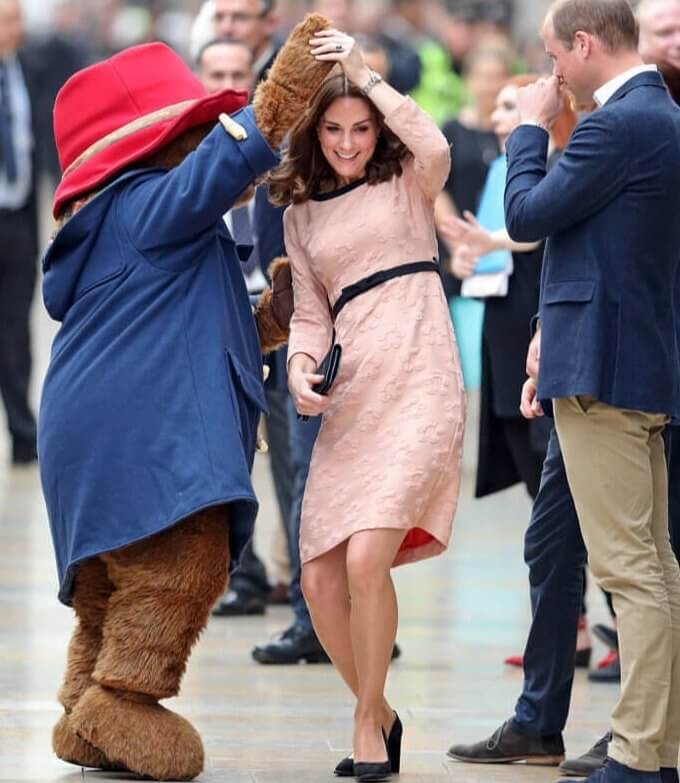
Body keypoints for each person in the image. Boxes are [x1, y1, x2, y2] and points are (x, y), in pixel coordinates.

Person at [38, 15, 333, 780]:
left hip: (95, 436)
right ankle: (123, 701)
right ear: (152, 144)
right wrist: (288, 85)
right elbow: (223, 167)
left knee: (112, 587)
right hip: (140, 438)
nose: (203, 141)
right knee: (185, 560)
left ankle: (82, 705)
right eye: (193, 130)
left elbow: (196, 326)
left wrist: (271, 319)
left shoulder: (126, 224)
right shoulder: (146, 202)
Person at [268, 27, 465, 781]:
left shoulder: (409, 177)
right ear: (314, 133)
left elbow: (436, 143)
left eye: (361, 129)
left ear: (378, 129)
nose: (349, 143)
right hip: (351, 391)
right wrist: (299, 369)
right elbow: (310, 314)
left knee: (364, 558)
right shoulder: (301, 213)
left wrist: (366, 75)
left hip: (420, 374)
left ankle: (363, 723)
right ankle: (380, 712)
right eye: (334, 129)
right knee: (319, 578)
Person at [503, 1, 680, 781]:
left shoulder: (615, 125)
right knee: (655, 567)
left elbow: (526, 215)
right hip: (637, 363)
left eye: (553, 56)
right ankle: (657, 746)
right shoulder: (661, 115)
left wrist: (530, 130)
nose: (552, 74)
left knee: (631, 570)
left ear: (583, 43)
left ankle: (639, 754)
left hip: (602, 373)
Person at [0, 0, 39, 466]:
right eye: (8, 21)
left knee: (16, 332)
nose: (16, 29)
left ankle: (22, 434)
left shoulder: (25, 69)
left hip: (17, 220)